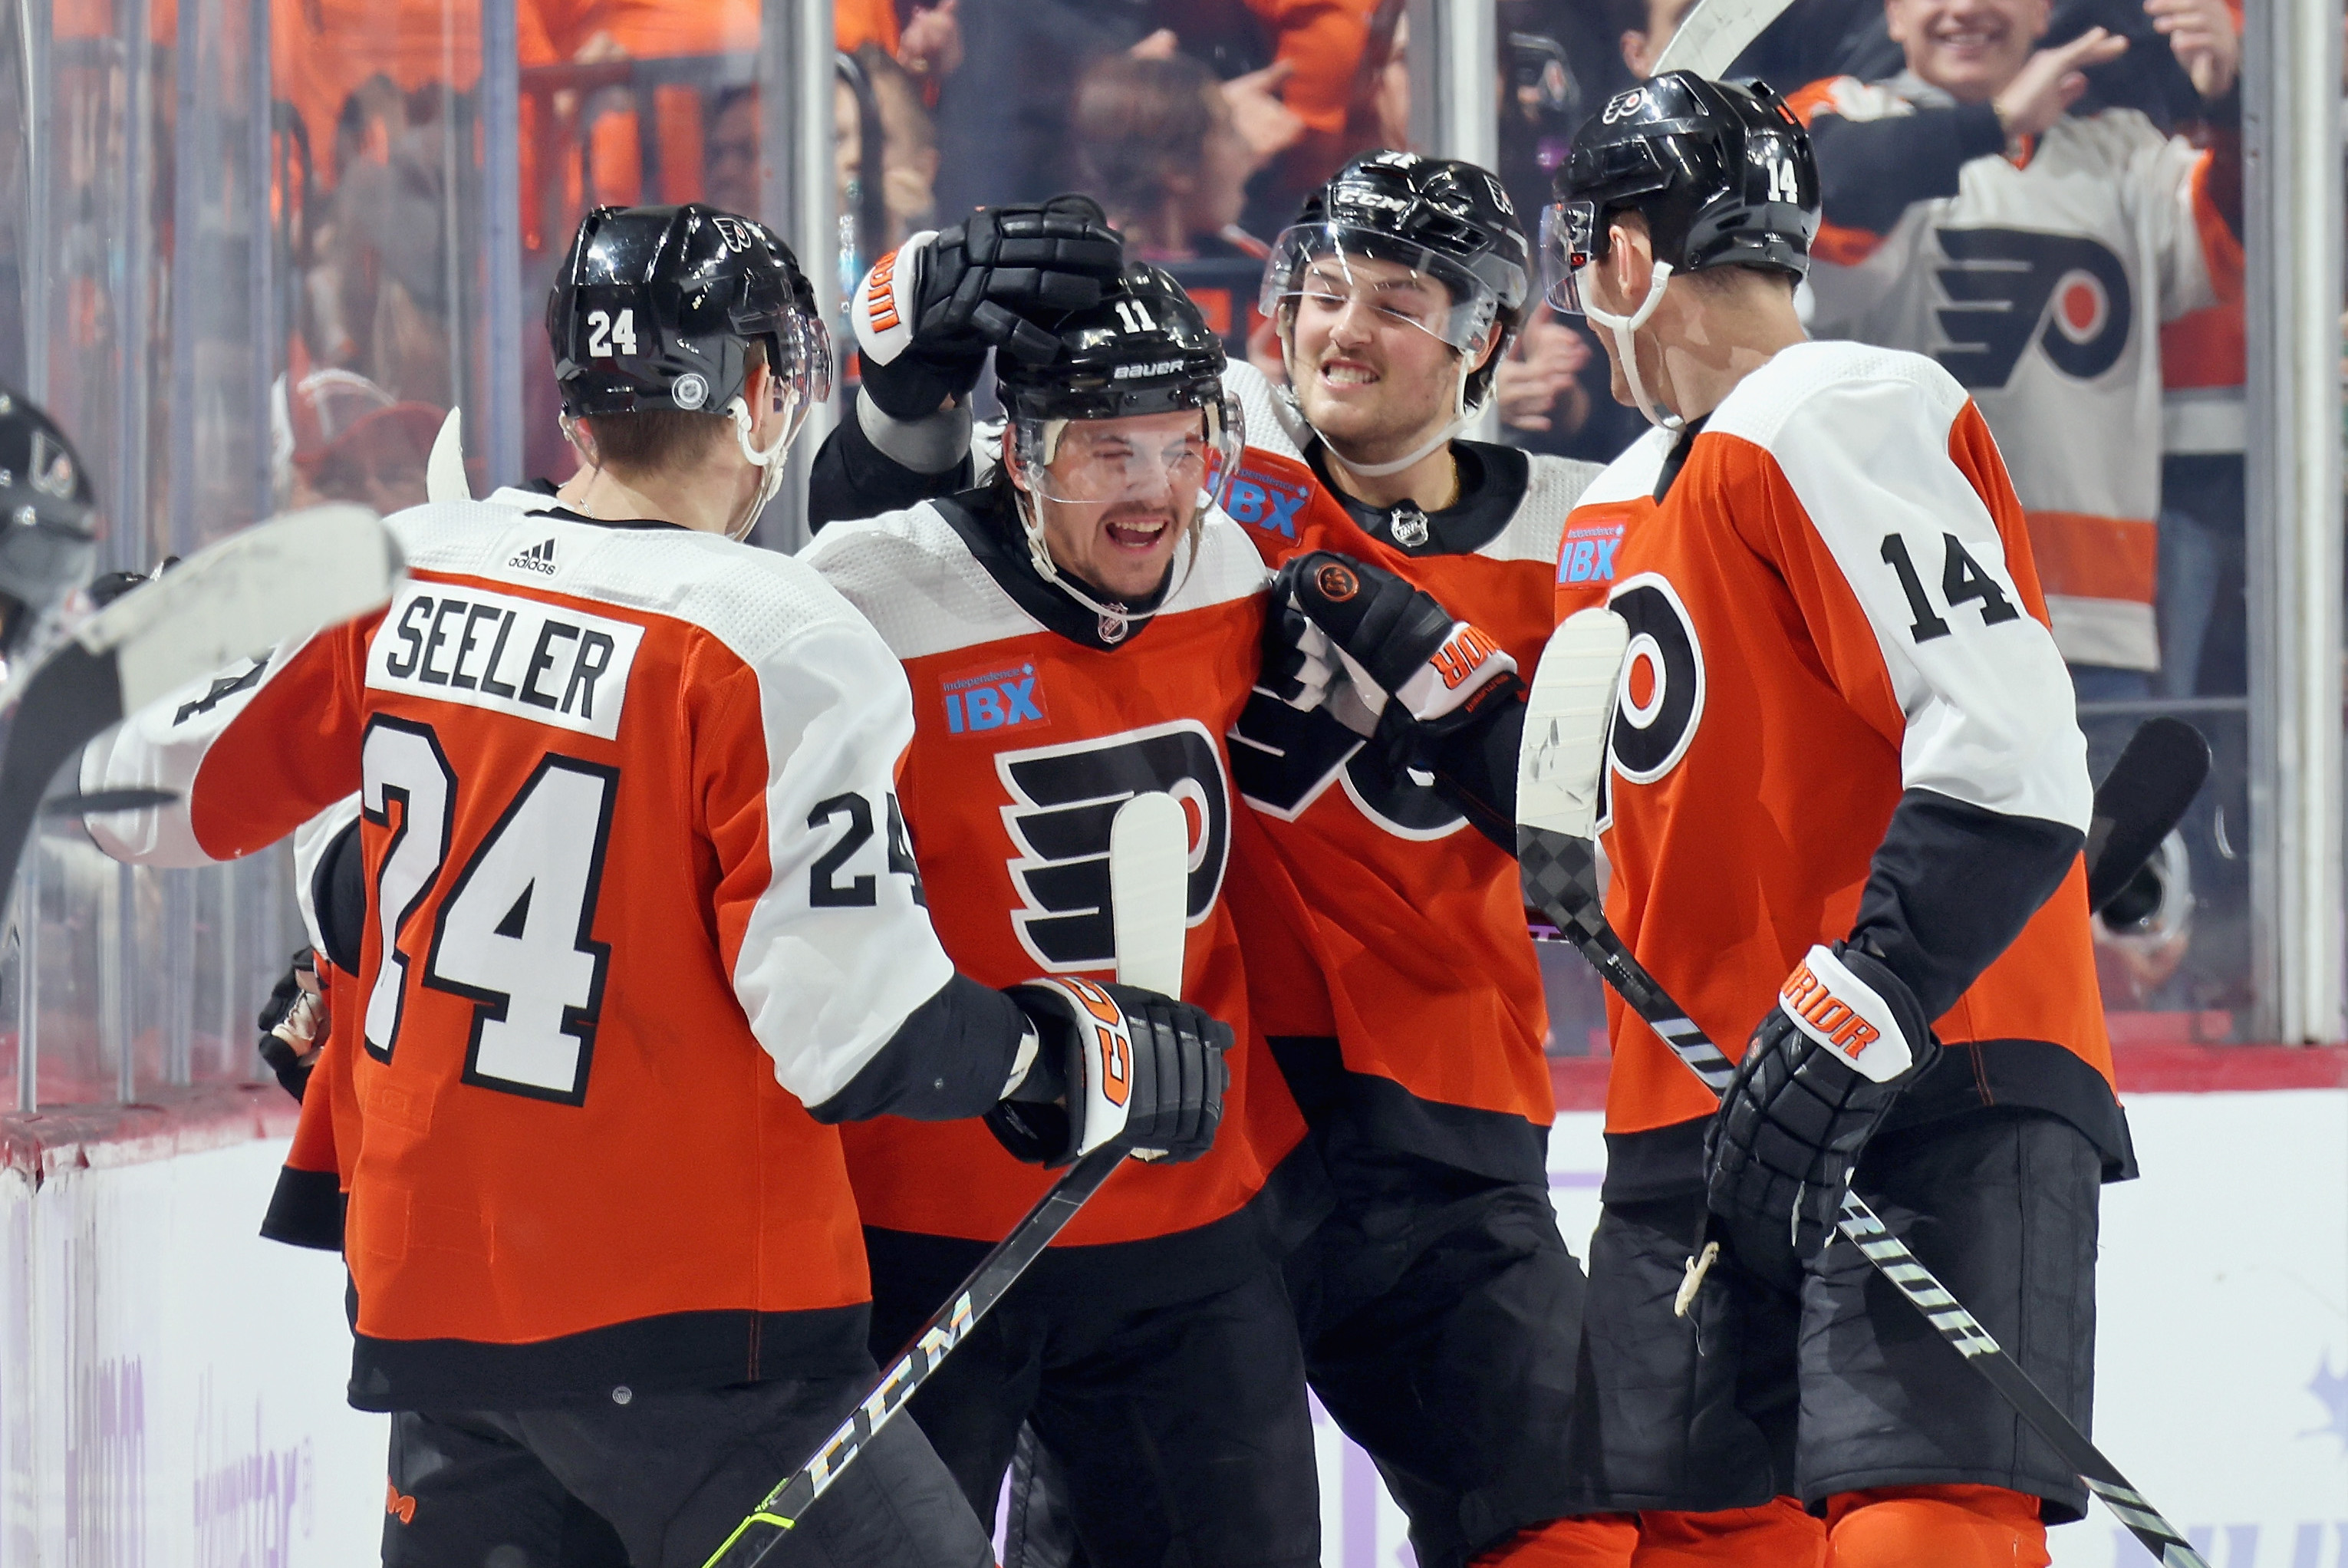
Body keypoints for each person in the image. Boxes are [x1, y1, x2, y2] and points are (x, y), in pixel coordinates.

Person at [76, 203, 1236, 1568]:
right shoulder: (773, 634)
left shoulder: (403, 564)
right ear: (758, 392)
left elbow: (126, 788)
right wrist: (1083, 1050)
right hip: (696, 1345)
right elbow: (859, 1034)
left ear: (578, 397)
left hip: (437, 1329)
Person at [1284, 73, 2126, 1566]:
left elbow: (2009, 745)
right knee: (1690, 1534)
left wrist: (1869, 993)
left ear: (1621, 256)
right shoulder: (1616, 499)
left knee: (1916, 1523)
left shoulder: (1841, 405)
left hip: (1924, 1088)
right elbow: (1611, 822)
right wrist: (1463, 695)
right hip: (1695, 1102)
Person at [799, 250, 1322, 1568]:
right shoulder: (868, 596)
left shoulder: (1230, 575)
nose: (1151, 490)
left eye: (1177, 444)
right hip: (921, 1231)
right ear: (1017, 456)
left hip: (1185, 1228)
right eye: (1103, 449)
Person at [1226, 150, 1639, 1568]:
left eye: (1398, 299)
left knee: (1571, 1523)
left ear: (1486, 341)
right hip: (1206, 1109)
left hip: (1446, 1110)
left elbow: (1619, 833)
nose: (1342, 327)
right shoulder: (1193, 478)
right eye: (1322, 289)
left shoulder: (1585, 533)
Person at [1790, 0, 2242, 696]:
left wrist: (2237, 95)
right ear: (1893, 13)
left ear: (2043, 12)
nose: (1965, 8)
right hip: (1897, 624)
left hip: (2088, 626)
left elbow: (2246, 236)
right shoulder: (1838, 113)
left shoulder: (2123, 152)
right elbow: (1823, 191)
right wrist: (1992, 124)